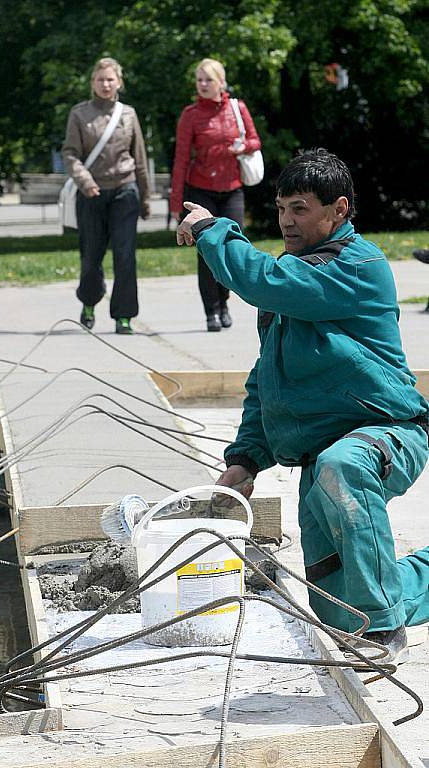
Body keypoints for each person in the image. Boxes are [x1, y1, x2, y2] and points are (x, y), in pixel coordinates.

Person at [177, 148, 429, 663]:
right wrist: (244, 460)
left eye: (300, 209)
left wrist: (213, 229)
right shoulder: (294, 277)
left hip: (388, 434)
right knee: (342, 608)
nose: (287, 221)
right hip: (322, 456)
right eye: (281, 208)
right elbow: (266, 380)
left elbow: (260, 281)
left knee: (343, 471)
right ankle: (393, 599)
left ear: (338, 210)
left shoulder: (357, 266)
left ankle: (383, 635)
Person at [170, 58, 261, 332]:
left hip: (232, 188)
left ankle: (224, 301)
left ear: (221, 82)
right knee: (205, 251)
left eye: (208, 79)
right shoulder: (191, 114)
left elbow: (255, 141)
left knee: (233, 246)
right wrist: (176, 204)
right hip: (200, 191)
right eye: (199, 80)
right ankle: (211, 311)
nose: (203, 84)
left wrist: (242, 146)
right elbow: (181, 159)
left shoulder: (237, 108)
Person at [62, 57, 151, 334]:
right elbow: (70, 154)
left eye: (110, 79)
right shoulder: (79, 114)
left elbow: (140, 159)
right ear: (93, 83)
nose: (105, 84)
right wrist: (85, 182)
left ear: (119, 83)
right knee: (91, 257)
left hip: (125, 191)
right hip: (91, 194)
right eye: (100, 79)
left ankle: (123, 316)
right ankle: (89, 301)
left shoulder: (128, 114)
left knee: (125, 256)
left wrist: (146, 197)